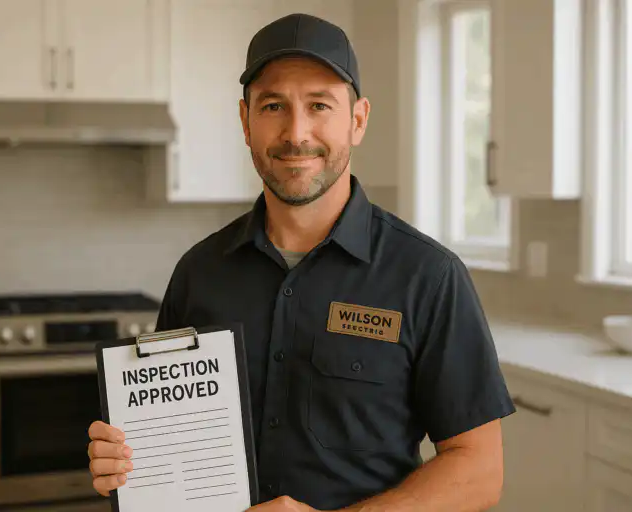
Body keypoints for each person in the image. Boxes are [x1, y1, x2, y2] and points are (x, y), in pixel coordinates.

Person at [87, 12, 515, 512]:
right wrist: (127, 461)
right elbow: (167, 443)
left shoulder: (429, 276)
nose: (296, 132)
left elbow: (479, 469)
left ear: (357, 120)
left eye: (319, 105)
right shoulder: (198, 273)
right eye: (273, 106)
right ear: (246, 123)